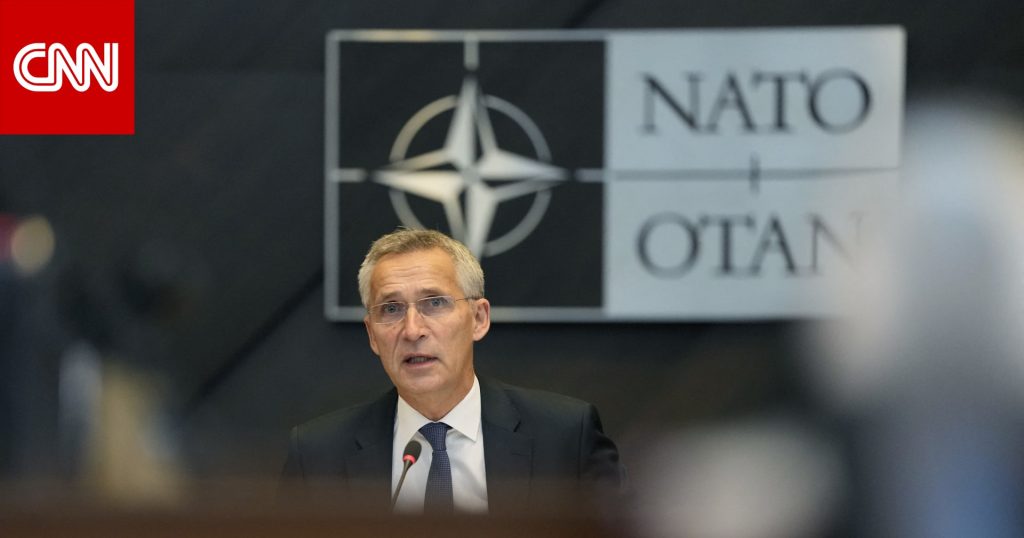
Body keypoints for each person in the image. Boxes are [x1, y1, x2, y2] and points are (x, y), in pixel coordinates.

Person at [281, 228, 623, 515]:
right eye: (392, 309)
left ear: (479, 319)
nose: (412, 330)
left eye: (435, 303)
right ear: (372, 335)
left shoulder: (565, 437)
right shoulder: (318, 457)